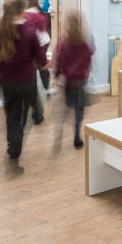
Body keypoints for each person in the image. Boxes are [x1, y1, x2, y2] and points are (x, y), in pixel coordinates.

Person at [0, 0, 47, 160]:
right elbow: (41, 60)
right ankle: (15, 145)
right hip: (26, 82)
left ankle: (13, 147)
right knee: (22, 117)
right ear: (24, 9)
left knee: (11, 115)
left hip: (6, 83)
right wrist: (49, 63)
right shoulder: (30, 33)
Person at [52, 9, 95, 148]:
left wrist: (56, 76)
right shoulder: (86, 39)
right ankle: (77, 136)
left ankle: (58, 136)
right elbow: (91, 53)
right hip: (81, 80)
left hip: (69, 82)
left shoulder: (64, 41)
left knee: (65, 109)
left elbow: (59, 61)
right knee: (79, 109)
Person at [21, 0, 51, 122]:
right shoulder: (38, 13)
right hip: (42, 43)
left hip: (36, 45)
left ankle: (37, 110)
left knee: (34, 73)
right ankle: (47, 89)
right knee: (41, 67)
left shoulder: (29, 15)